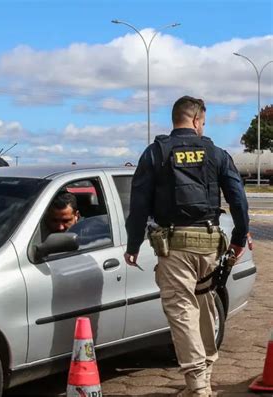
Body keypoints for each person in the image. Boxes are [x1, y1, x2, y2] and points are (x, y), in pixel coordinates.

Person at [124, 96, 249, 397]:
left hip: (175, 246)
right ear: (195, 120)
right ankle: (205, 372)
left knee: (182, 311)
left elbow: (138, 204)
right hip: (209, 245)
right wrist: (239, 239)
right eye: (203, 123)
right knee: (204, 305)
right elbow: (238, 199)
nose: (202, 128)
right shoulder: (216, 153)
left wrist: (133, 244)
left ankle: (198, 387)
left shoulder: (155, 153)